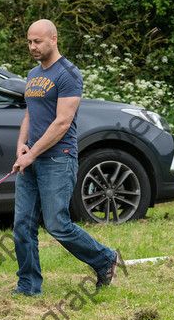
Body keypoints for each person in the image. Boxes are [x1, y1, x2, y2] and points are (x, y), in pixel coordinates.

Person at [11, 19, 122, 296]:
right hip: (32, 160)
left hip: (58, 159)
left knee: (57, 225)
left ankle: (105, 259)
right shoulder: (33, 74)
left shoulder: (68, 74)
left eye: (37, 41)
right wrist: (22, 146)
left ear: (54, 39)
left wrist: (33, 153)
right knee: (22, 226)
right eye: (29, 42)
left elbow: (62, 123)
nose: (32, 46)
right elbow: (29, 114)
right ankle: (28, 286)